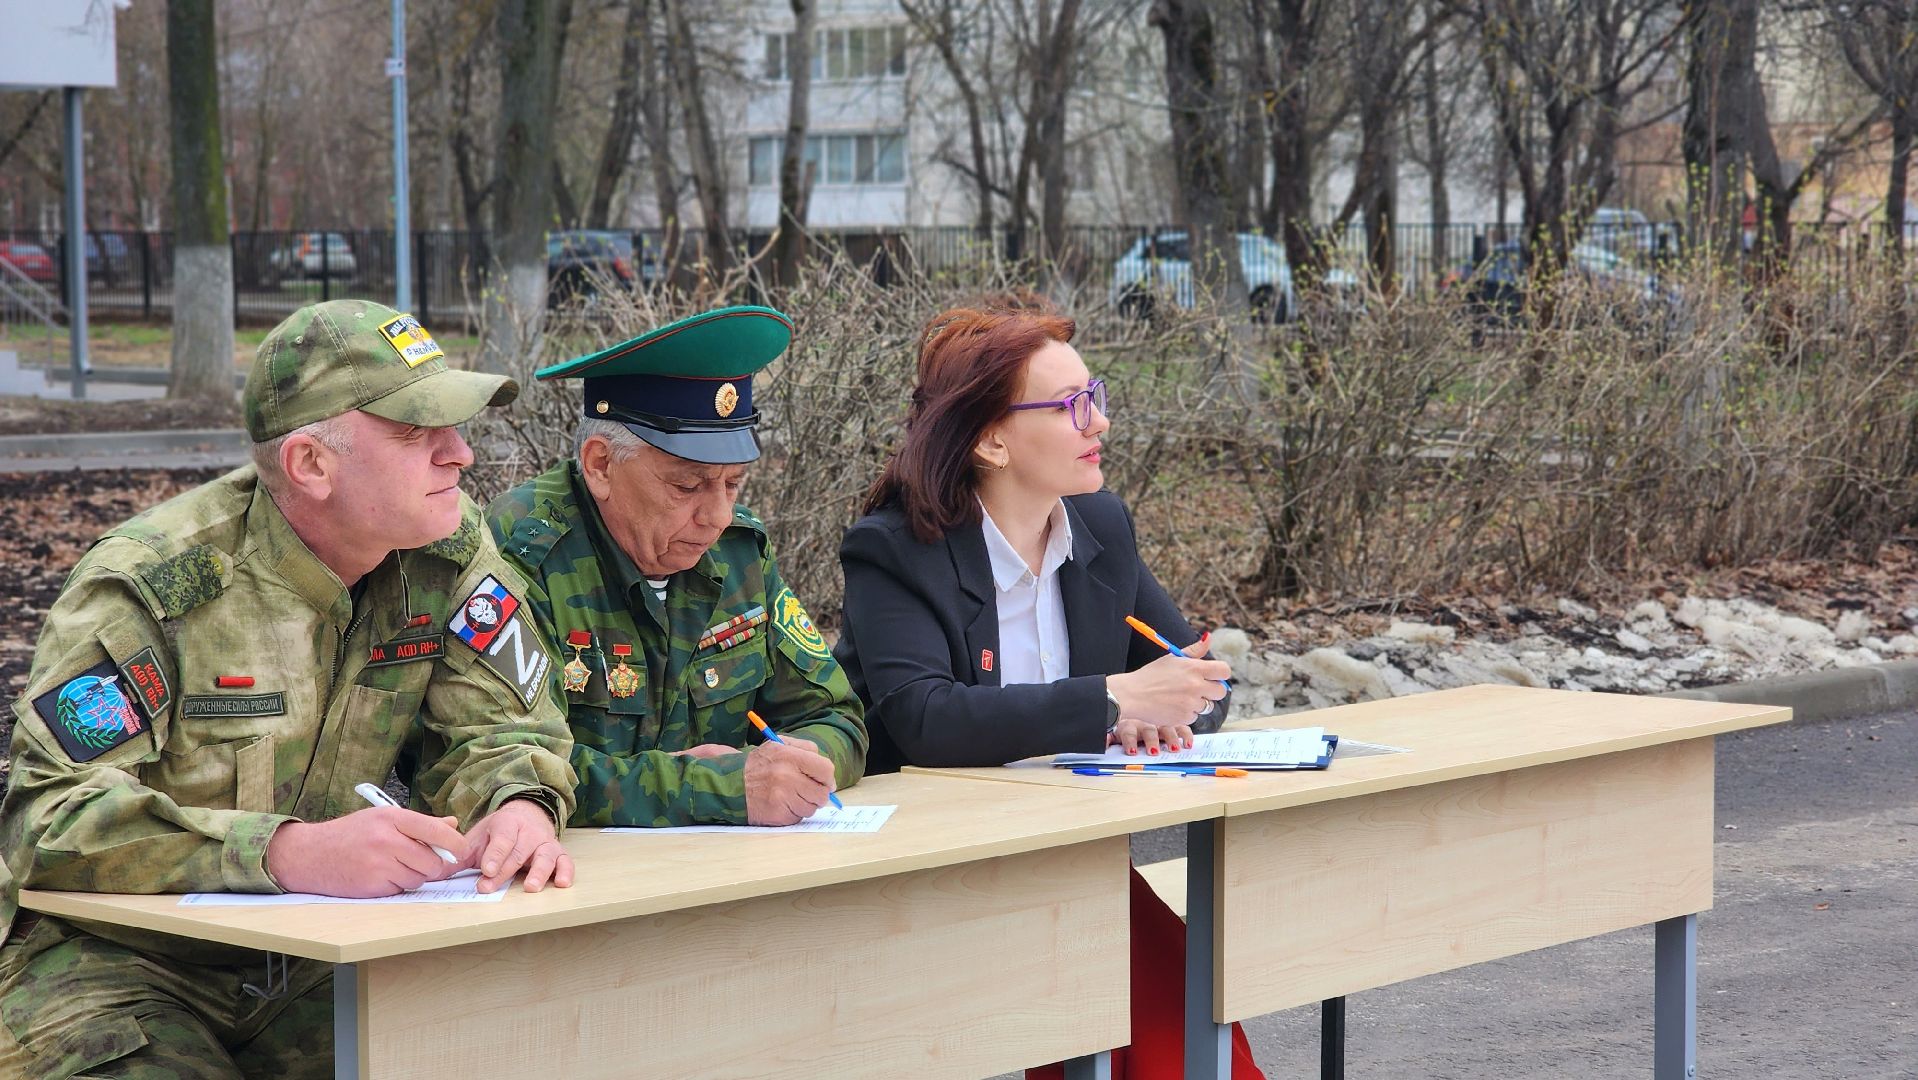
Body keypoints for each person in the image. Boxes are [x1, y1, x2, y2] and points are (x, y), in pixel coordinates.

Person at [0, 299, 579, 1080]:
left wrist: (516, 803)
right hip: (116, 969)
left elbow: (508, 728)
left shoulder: (443, 548)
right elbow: (48, 819)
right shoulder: (159, 586)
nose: (461, 455)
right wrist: (289, 851)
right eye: (417, 433)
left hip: (315, 960)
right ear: (311, 464)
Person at [833, 303, 1262, 1080]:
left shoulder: (1100, 525)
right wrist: (1110, 703)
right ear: (992, 439)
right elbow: (925, 718)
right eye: (1071, 406)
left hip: (1071, 864)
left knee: (1185, 1003)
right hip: (937, 880)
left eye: (1094, 394)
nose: (1099, 421)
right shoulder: (895, 550)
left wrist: (1161, 709)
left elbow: (1192, 671)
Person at [486, 305, 868, 827]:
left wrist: (799, 765)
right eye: (688, 485)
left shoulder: (738, 550)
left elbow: (836, 716)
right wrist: (719, 789)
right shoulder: (522, 550)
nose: (716, 516)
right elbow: (506, 762)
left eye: (733, 482)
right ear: (601, 465)